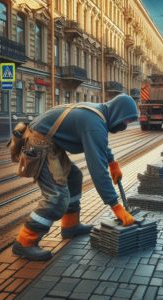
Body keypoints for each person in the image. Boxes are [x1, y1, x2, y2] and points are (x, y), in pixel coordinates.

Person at [12, 93, 138, 261]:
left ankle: (70, 226)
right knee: (57, 197)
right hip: (38, 143)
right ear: (118, 113)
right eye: (125, 121)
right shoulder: (94, 124)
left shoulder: (99, 114)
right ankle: (25, 241)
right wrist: (116, 206)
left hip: (49, 142)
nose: (125, 125)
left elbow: (101, 144)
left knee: (74, 177)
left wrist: (112, 163)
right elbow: (98, 170)